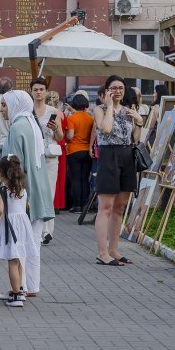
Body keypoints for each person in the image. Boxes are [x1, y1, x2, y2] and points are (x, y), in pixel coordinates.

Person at [0, 90, 54, 297]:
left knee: (19, 243)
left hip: (23, 193)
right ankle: (30, 286)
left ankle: (19, 287)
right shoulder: (31, 123)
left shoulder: (17, 126)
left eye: (4, 104)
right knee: (32, 243)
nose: (2, 109)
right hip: (39, 189)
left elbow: (13, 164)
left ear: (15, 104)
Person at [93, 74, 143, 266]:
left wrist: (139, 121)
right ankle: (102, 252)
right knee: (105, 207)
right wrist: (109, 107)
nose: (117, 91)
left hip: (126, 156)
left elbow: (135, 139)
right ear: (106, 91)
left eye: (120, 88)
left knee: (120, 207)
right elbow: (105, 129)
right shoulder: (100, 109)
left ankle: (114, 249)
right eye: (113, 88)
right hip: (108, 156)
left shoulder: (128, 111)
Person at [0, 155, 39, 307]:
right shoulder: (22, 189)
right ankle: (20, 289)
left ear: (0, 173)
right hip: (22, 226)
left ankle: (16, 295)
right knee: (19, 258)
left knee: (12, 260)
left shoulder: (3, 190)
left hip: (10, 227)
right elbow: (26, 206)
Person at [30, 77, 63, 245]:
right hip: (34, 156)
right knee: (35, 193)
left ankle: (47, 231)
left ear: (46, 91)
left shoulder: (54, 111)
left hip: (50, 156)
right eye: (36, 89)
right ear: (32, 91)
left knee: (49, 193)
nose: (39, 92)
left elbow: (60, 137)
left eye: (41, 89)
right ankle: (35, 228)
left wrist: (55, 128)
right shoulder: (28, 111)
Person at [65, 94, 94, 213]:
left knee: (75, 178)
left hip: (73, 151)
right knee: (84, 178)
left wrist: (66, 137)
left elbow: (70, 136)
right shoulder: (90, 118)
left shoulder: (71, 118)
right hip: (87, 150)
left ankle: (77, 205)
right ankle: (84, 205)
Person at [46, 90, 66, 214]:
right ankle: (57, 204)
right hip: (60, 146)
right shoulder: (61, 113)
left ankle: (51, 204)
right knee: (59, 178)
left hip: (51, 145)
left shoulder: (46, 112)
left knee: (50, 178)